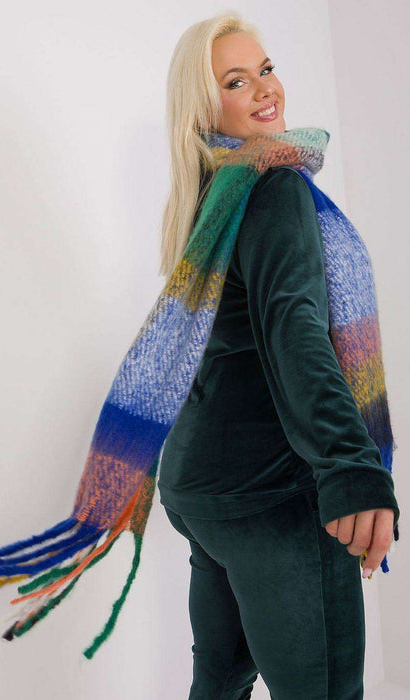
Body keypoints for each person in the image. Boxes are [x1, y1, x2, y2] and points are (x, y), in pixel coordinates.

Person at [157, 12, 400, 699]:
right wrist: (350, 466)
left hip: (201, 488)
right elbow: (294, 328)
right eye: (236, 81)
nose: (265, 89)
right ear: (204, 108)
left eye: (265, 69)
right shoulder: (271, 184)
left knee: (218, 684)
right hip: (271, 495)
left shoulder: (214, 192)